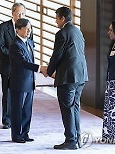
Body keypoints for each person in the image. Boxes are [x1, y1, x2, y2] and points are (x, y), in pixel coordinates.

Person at [42, 7, 88, 150]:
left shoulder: (62, 33)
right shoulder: (77, 31)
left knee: (67, 108)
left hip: (68, 76)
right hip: (80, 75)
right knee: (74, 107)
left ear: (63, 18)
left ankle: (70, 140)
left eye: (57, 18)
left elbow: (57, 55)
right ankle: (77, 138)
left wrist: (48, 71)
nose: (55, 21)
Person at [0, 2, 32, 129]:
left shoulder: (27, 26)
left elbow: (30, 44)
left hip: (23, 68)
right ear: (12, 13)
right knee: (7, 93)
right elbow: (0, 46)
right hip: (8, 66)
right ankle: (7, 120)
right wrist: (14, 55)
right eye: (18, 13)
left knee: (22, 94)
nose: (20, 15)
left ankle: (19, 120)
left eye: (23, 13)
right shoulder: (3, 26)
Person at [9, 18, 45, 143]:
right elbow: (23, 63)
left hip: (29, 82)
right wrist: (40, 69)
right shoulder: (15, 45)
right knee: (17, 110)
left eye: (30, 28)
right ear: (18, 29)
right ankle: (16, 135)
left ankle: (25, 133)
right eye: (26, 28)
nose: (29, 31)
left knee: (27, 110)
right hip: (19, 83)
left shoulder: (29, 42)